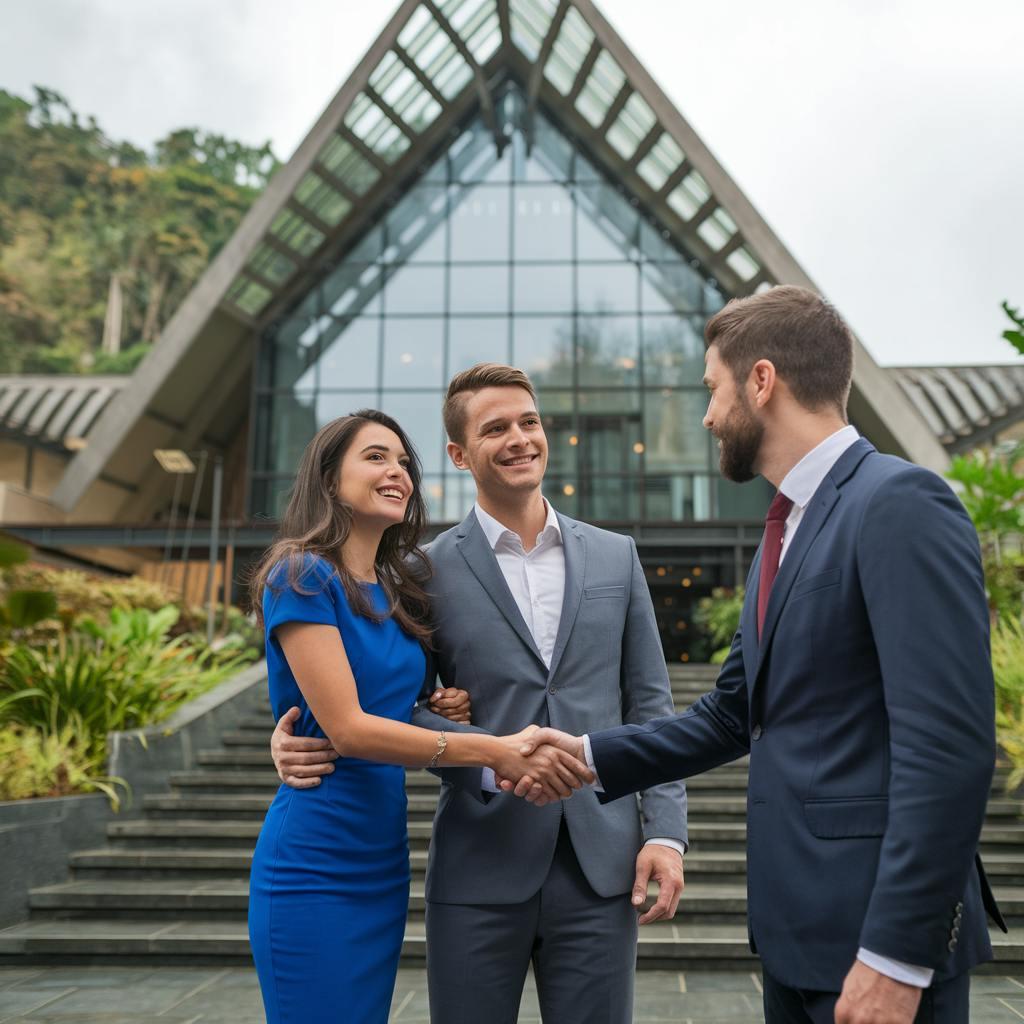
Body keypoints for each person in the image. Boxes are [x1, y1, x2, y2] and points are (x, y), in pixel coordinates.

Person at [511, 286, 1006, 1024]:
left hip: (878, 947)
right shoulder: (783, 533)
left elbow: (951, 747)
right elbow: (731, 716)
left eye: (712, 388)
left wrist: (899, 956)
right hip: (794, 938)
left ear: (762, 381)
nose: (709, 414)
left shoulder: (900, 503)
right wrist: (582, 753)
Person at [271, 365, 688, 1023]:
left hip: (602, 865)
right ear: (461, 454)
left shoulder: (617, 556)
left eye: (529, 421)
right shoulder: (416, 571)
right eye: (496, 428)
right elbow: (393, 698)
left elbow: (651, 707)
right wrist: (308, 731)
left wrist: (666, 834)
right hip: (479, 863)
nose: (519, 438)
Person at [246, 408, 593, 1024]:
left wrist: (440, 705)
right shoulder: (301, 574)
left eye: (404, 461)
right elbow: (349, 728)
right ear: (329, 480)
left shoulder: (393, 588)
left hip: (381, 855)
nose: (397, 471)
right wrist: (494, 748)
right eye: (375, 457)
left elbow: (397, 701)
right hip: (316, 856)